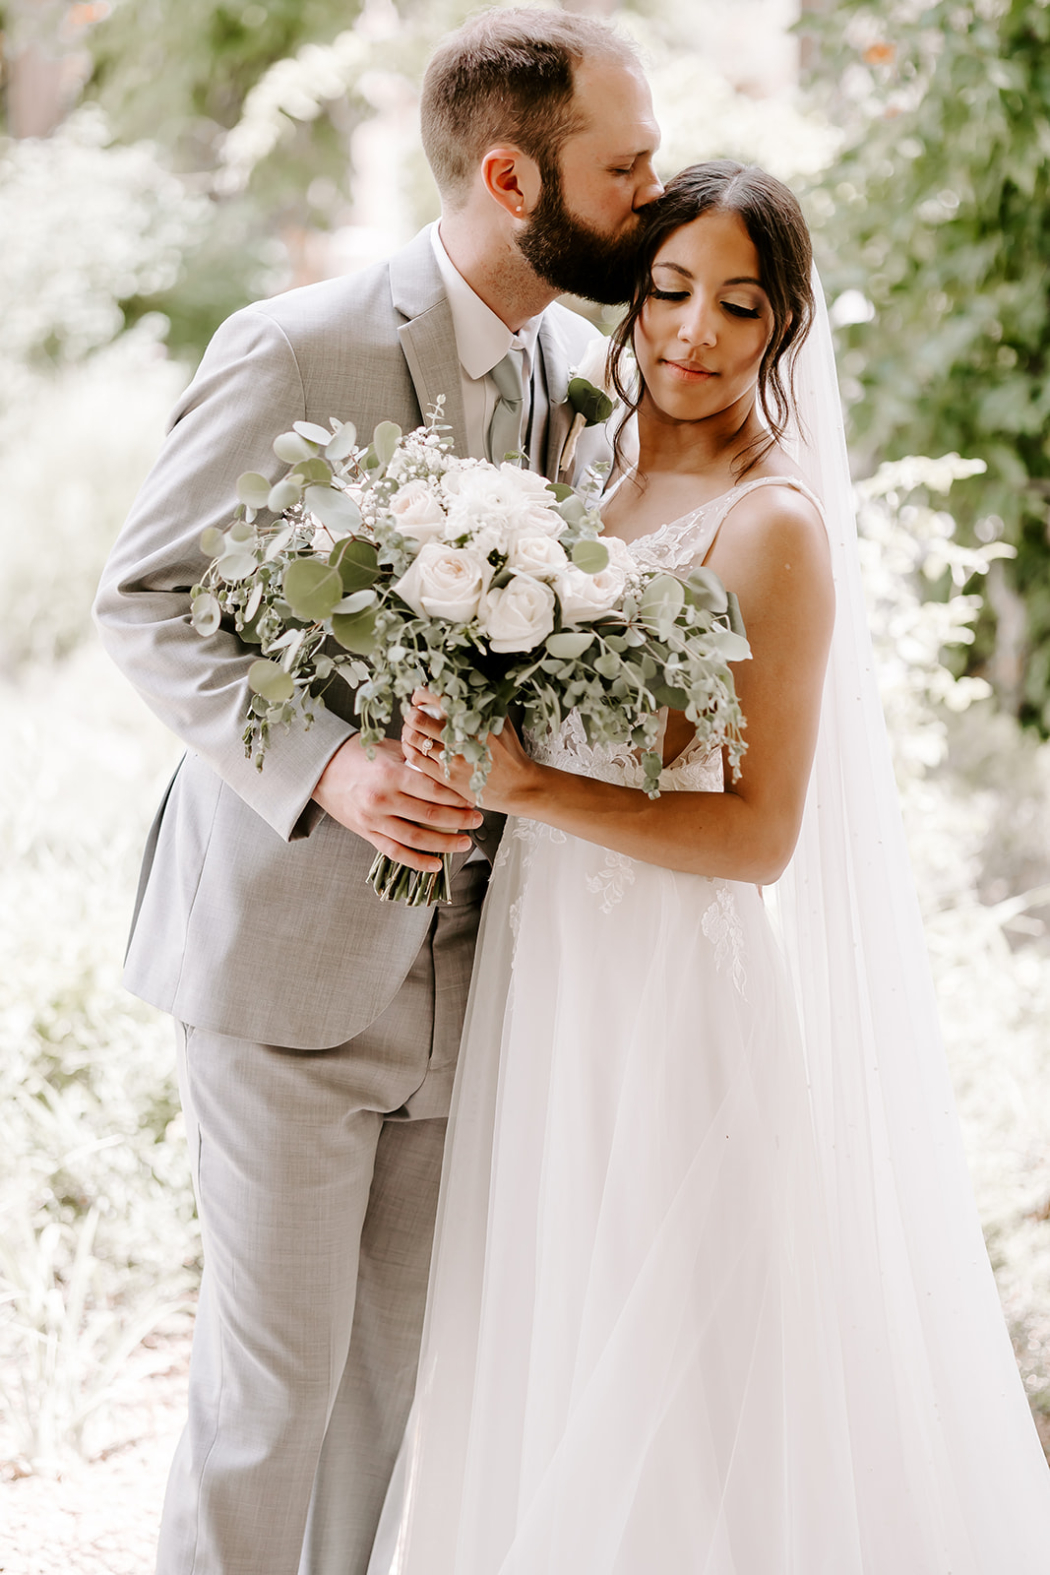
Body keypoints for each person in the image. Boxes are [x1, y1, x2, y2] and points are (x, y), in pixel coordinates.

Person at [379, 162, 1050, 1572]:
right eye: (668, 292)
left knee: (680, 1337)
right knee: (551, 1310)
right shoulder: (582, 466)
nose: (689, 333)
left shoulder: (773, 527)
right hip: (541, 955)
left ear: (782, 322)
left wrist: (536, 786)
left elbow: (757, 836)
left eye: (735, 305)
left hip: (670, 983)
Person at [92, 12, 662, 1574]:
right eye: (625, 168)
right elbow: (143, 600)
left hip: (470, 977)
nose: (654, 191)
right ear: (509, 173)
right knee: (270, 1395)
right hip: (284, 969)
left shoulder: (568, 374)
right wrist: (331, 769)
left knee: (390, 1399)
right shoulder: (297, 346)